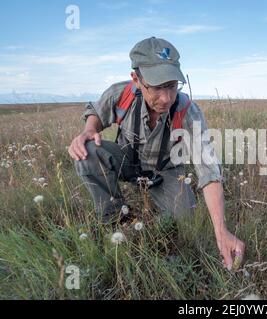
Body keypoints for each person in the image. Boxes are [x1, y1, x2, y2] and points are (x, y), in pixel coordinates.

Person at [68, 37, 245, 270]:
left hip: (166, 172)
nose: (166, 98)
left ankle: (157, 199)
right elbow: (97, 113)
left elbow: (209, 171)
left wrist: (221, 231)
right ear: (136, 79)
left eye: (172, 86)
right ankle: (114, 218)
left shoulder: (187, 110)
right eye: (157, 87)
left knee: (187, 220)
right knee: (88, 151)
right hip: (128, 162)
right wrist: (89, 130)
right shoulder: (121, 93)